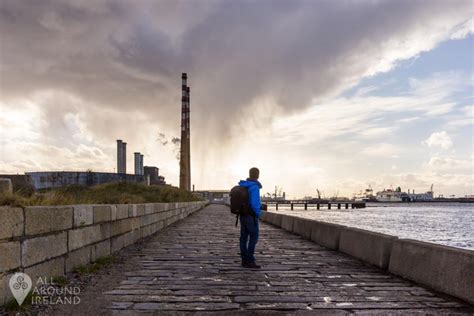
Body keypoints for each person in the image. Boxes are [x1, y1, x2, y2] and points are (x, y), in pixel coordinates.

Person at [238, 167, 262, 269]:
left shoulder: (244, 185)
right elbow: (255, 204)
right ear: (257, 175)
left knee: (243, 238)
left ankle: (244, 260)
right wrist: (257, 214)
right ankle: (250, 260)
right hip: (250, 216)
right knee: (254, 237)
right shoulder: (254, 187)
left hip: (242, 215)